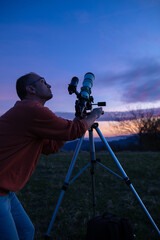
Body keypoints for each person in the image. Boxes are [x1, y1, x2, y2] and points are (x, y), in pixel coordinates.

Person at [0, 72, 103, 240]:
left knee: (26, 231)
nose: (49, 85)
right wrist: (94, 116)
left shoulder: (29, 113)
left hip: (6, 191)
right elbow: (73, 131)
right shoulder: (31, 110)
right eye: (43, 82)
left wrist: (79, 118)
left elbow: (51, 147)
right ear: (30, 89)